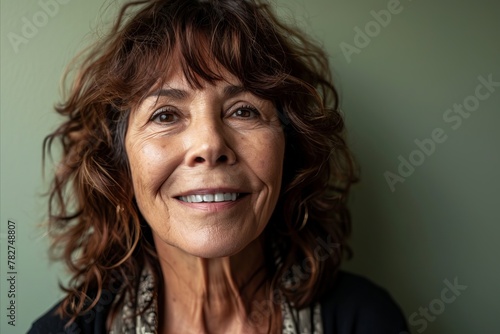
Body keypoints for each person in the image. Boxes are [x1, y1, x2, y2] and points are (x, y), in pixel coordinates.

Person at [29, 0, 408, 333]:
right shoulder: (61, 331)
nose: (210, 145)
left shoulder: (366, 319)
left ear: (289, 150)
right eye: (165, 115)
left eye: (243, 110)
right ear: (120, 164)